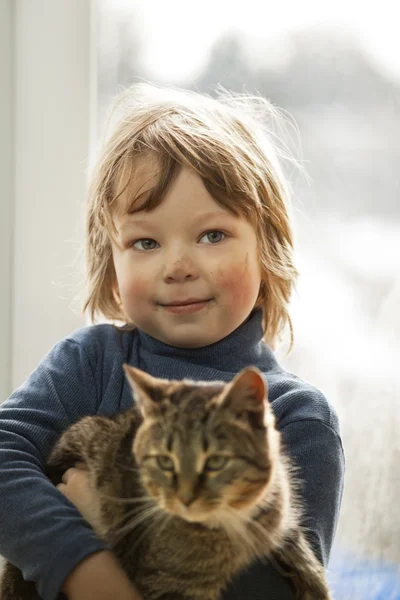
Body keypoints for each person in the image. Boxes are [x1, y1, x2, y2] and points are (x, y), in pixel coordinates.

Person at [0, 83, 345, 600]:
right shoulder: (91, 362)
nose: (178, 267)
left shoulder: (298, 416)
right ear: (111, 265)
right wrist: (85, 566)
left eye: (211, 235)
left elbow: (280, 590)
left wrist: (103, 519)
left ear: (267, 245)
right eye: (145, 242)